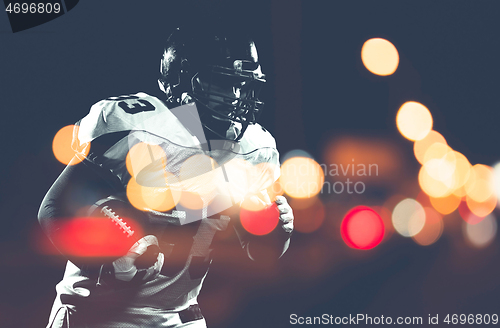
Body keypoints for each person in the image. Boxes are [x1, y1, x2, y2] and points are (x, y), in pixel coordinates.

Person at [38, 24, 294, 328]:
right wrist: (104, 255)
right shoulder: (140, 128)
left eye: (242, 85)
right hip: (96, 311)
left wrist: (275, 232)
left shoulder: (254, 149)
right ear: (184, 80)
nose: (236, 97)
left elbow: (254, 249)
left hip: (179, 317)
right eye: (223, 84)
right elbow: (54, 210)